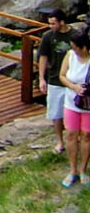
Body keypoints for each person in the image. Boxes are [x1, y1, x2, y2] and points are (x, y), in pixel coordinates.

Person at [39, 8, 74, 154]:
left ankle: (73, 138)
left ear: (62, 22)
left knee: (73, 111)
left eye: (53, 23)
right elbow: (43, 56)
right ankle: (60, 141)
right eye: (49, 23)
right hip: (54, 78)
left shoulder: (75, 35)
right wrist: (42, 78)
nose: (51, 26)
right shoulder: (47, 36)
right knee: (56, 113)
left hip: (72, 80)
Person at [58, 29, 90, 187]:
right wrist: (74, 87)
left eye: (75, 47)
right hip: (71, 102)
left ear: (83, 47)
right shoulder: (70, 56)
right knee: (71, 134)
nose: (73, 50)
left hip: (88, 105)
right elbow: (62, 75)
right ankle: (73, 170)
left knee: (86, 136)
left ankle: (83, 169)